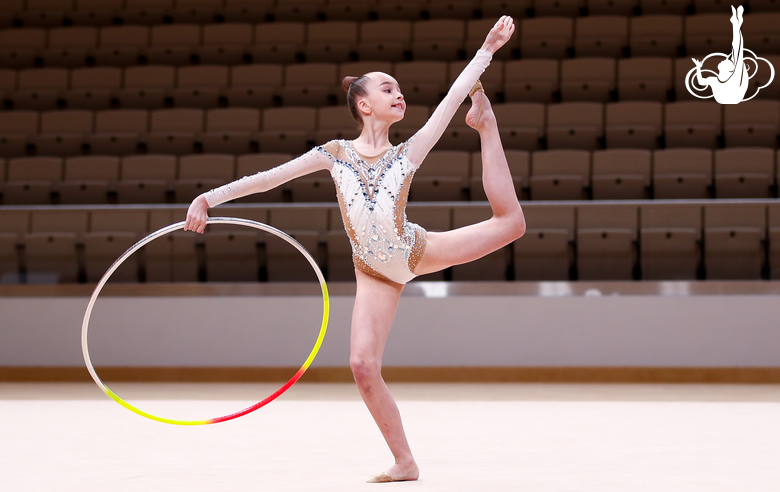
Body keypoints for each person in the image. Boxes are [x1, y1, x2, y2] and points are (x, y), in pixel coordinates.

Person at [184, 15, 525, 483]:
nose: (398, 93)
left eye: (400, 89)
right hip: (373, 271)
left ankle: (486, 124)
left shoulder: (409, 153)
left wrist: (488, 48)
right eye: (387, 89)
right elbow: (267, 179)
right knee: (363, 366)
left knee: (512, 224)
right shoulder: (333, 154)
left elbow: (449, 101)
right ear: (364, 104)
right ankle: (405, 461)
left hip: (413, 250)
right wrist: (208, 198)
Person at [691, 5, 749, 104]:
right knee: (737, 52)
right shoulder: (714, 80)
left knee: (737, 51)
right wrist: (698, 67)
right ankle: (736, 24)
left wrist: (736, 26)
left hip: (733, 96)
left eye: (728, 61)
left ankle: (736, 24)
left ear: (729, 69)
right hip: (727, 97)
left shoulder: (734, 77)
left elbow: (738, 48)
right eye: (728, 60)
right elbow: (700, 82)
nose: (725, 59)